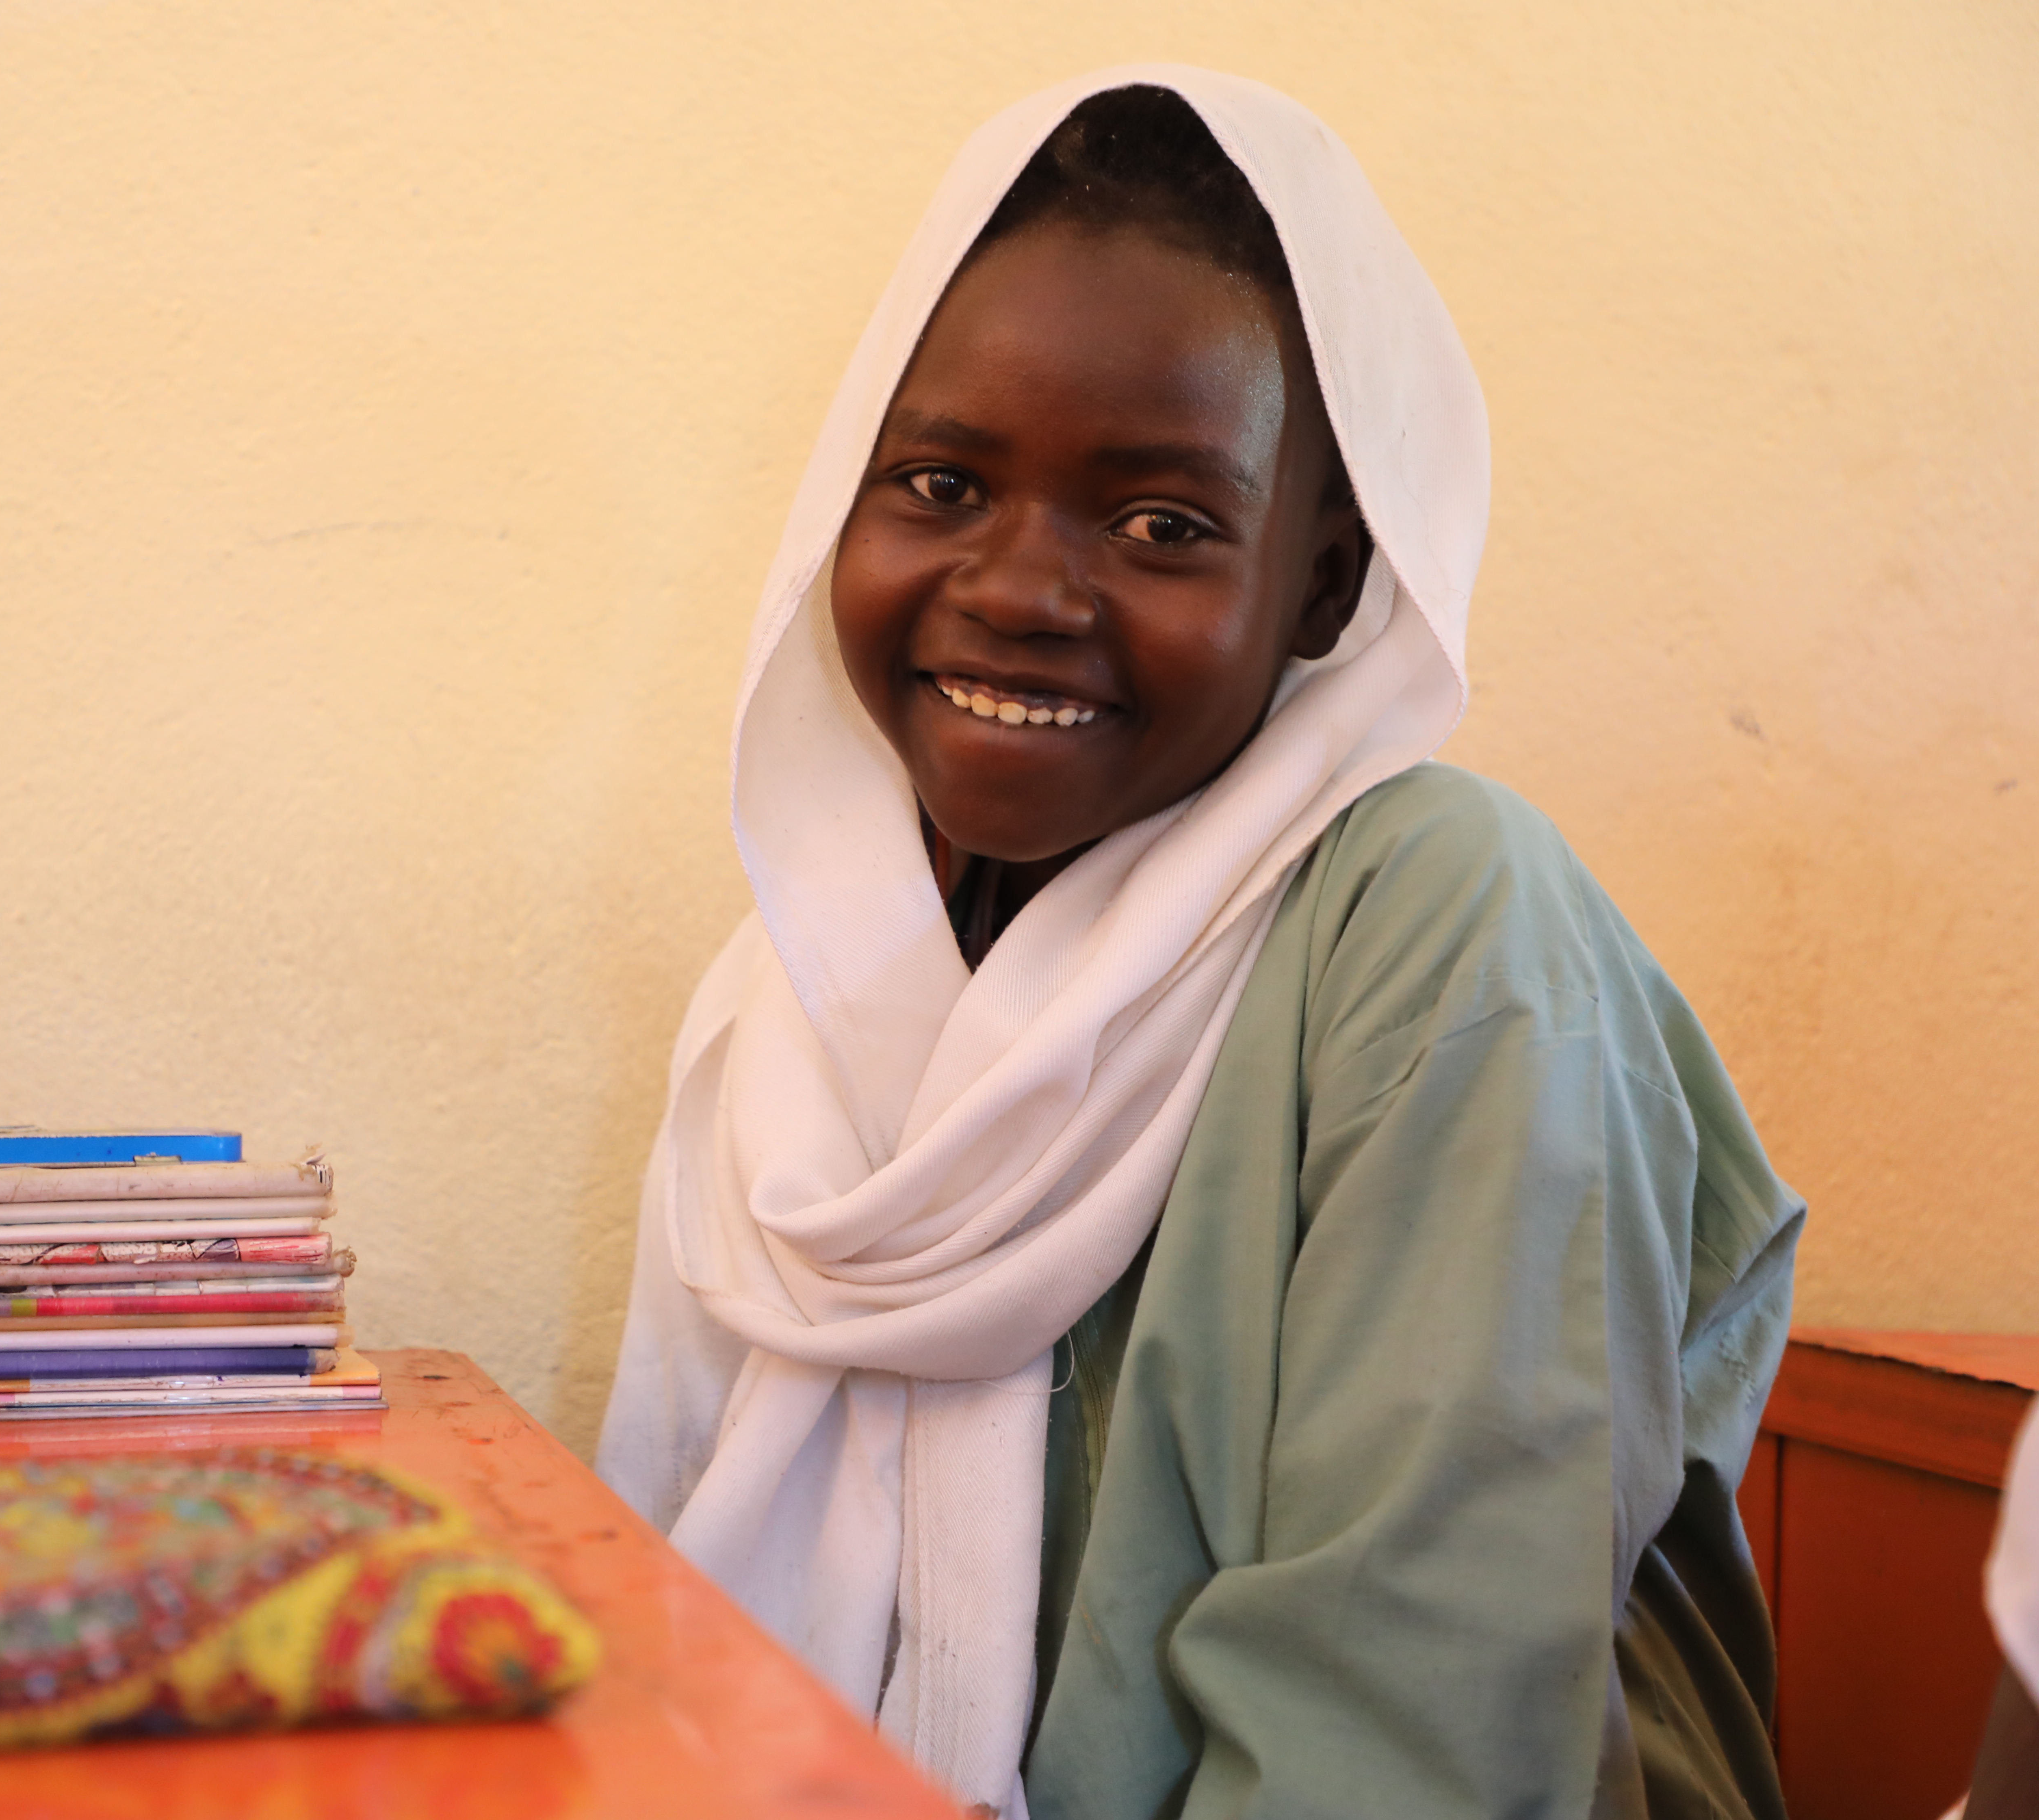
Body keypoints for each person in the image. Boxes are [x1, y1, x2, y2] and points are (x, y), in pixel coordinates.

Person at [596, 65, 1805, 1820]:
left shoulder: (1442, 928)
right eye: (937, 482)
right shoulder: (801, 1005)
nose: (1018, 585)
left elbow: (1411, 1746)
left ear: (1323, 585)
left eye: (1161, 522)